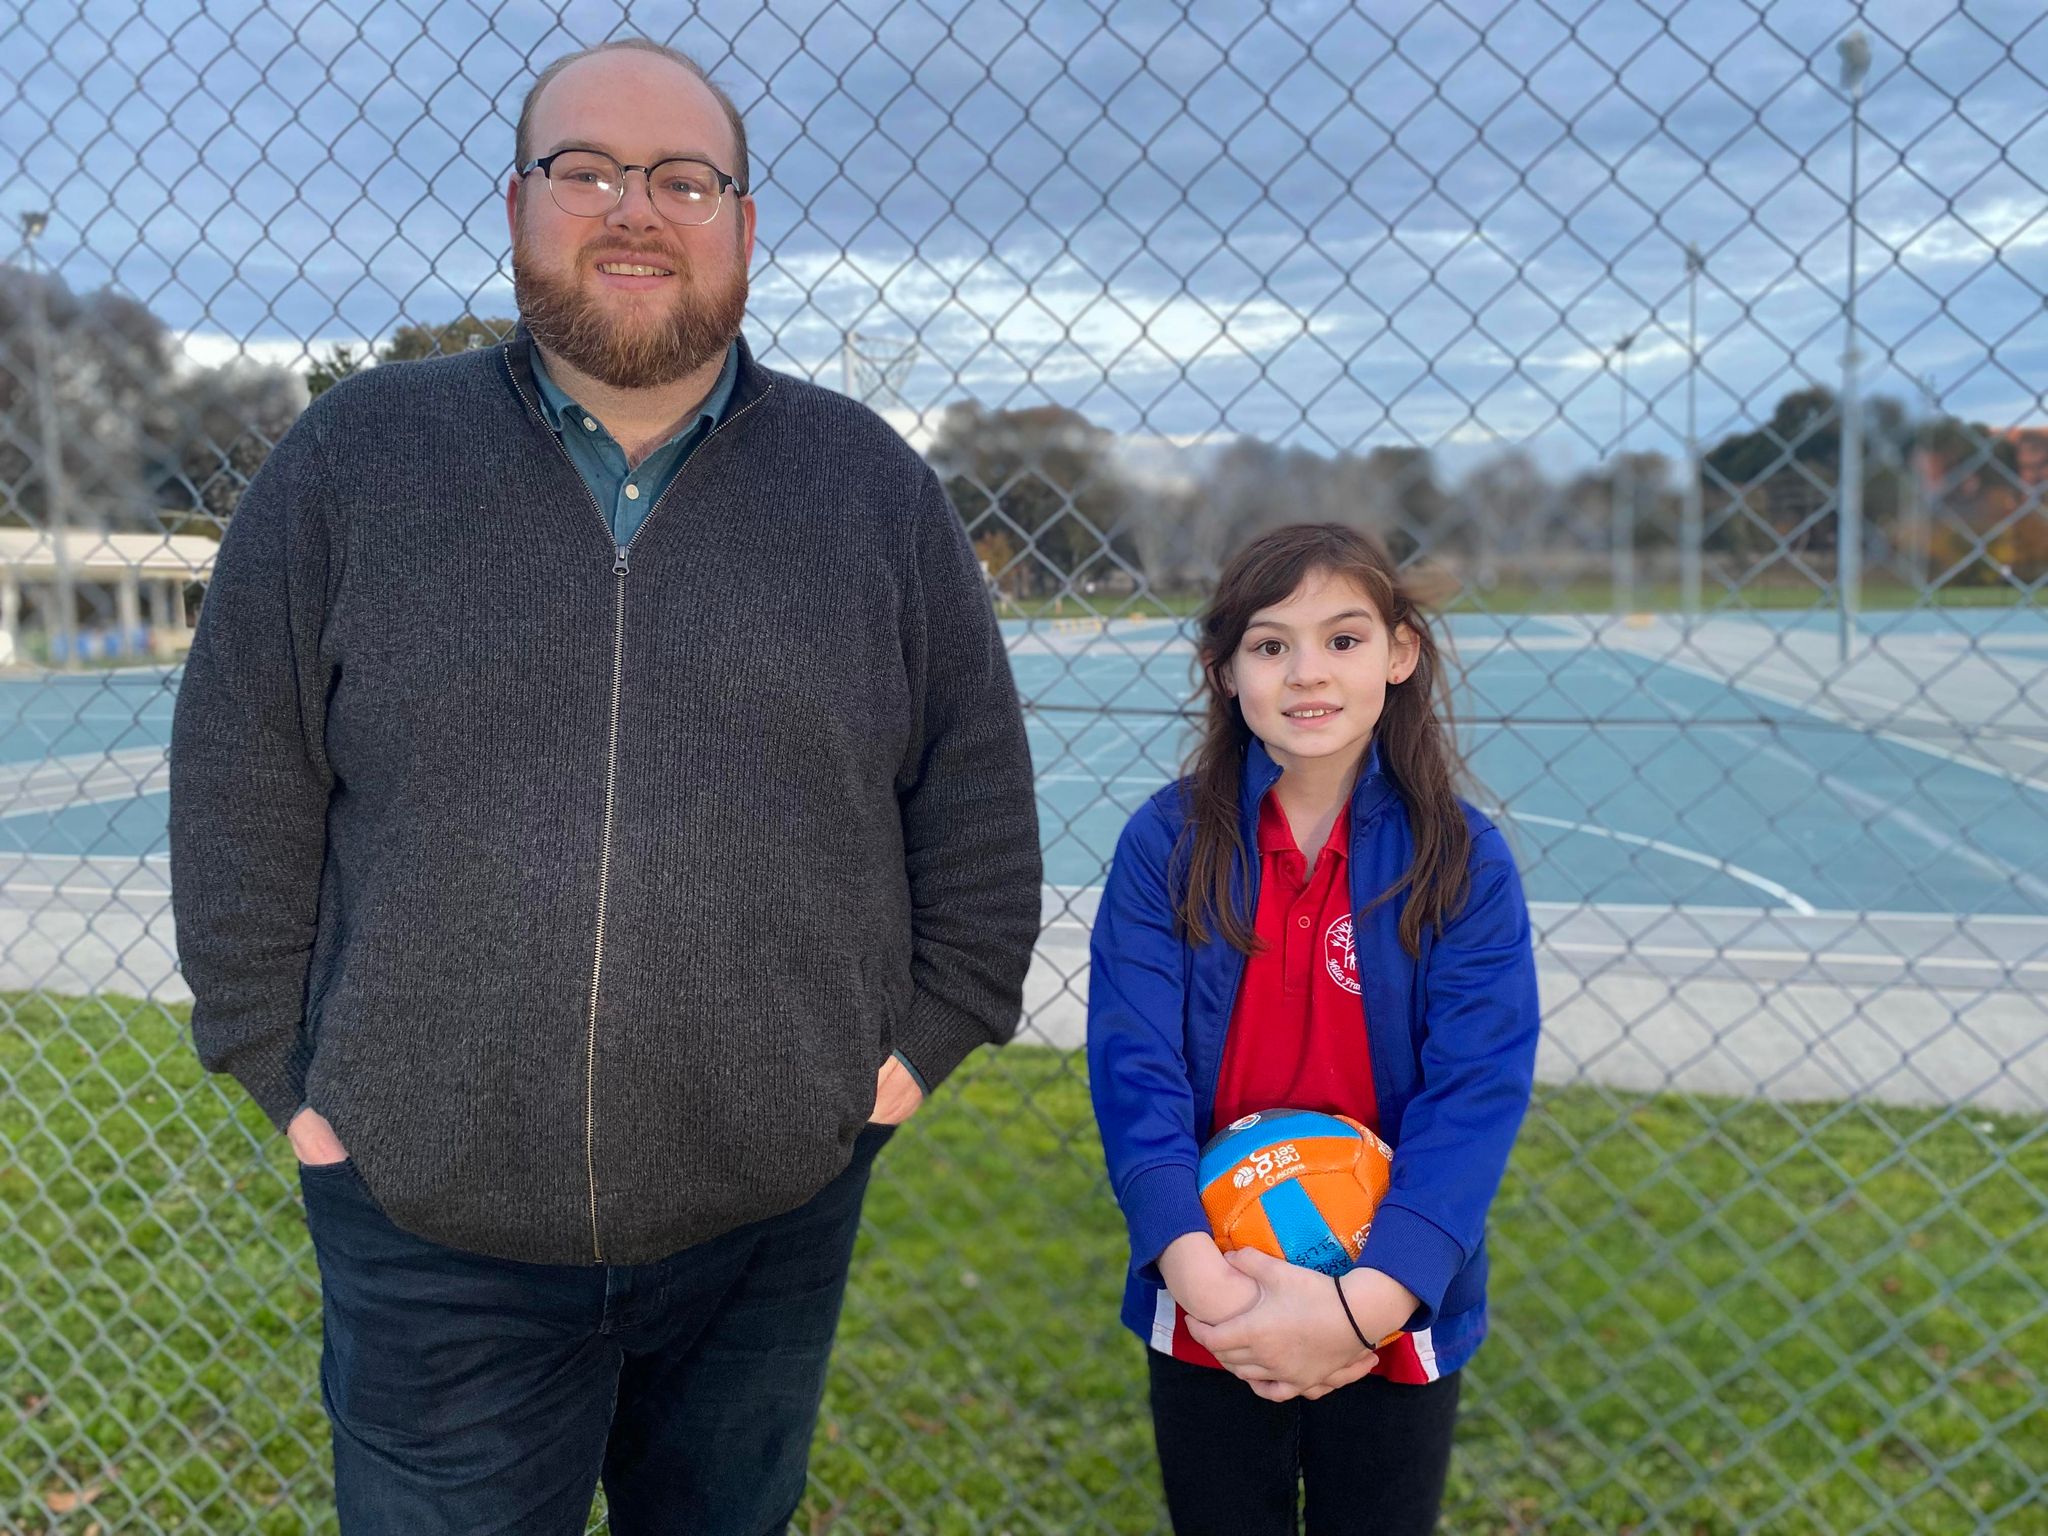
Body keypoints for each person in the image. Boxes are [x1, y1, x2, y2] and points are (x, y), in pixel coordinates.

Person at [167, 38, 1041, 1535]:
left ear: (745, 227)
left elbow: (976, 810)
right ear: (518, 205)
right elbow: (241, 779)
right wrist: (287, 1072)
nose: (636, 209)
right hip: (424, 1221)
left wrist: (909, 1052)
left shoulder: (869, 488)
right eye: (588, 171)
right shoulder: (354, 462)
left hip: (768, 1217)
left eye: (685, 180)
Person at [1086, 523, 1540, 1535]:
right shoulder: (1165, 844)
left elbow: (1476, 1094)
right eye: (1268, 644)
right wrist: (1205, 1284)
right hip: (1215, 1286)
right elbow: (1133, 1072)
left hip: (1394, 1290)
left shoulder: (1461, 862)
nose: (1306, 674)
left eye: (1341, 639)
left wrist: (1362, 1306)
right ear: (1222, 668)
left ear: (1399, 652)